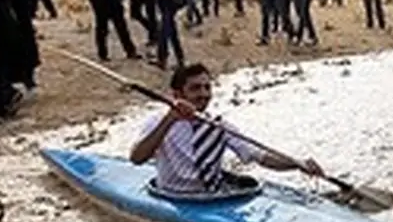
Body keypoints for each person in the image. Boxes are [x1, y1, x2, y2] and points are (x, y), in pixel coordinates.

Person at [129, 63, 324, 194]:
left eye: (207, 87)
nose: (204, 94)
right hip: (172, 196)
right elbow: (137, 158)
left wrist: (297, 163)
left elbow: (259, 155)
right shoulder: (157, 122)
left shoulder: (218, 126)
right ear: (177, 94)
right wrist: (170, 120)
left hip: (212, 195)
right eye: (195, 88)